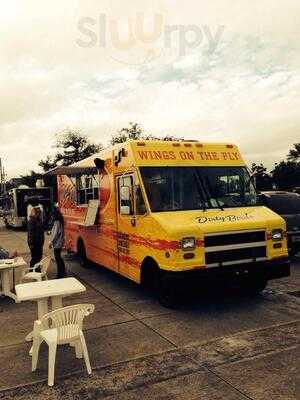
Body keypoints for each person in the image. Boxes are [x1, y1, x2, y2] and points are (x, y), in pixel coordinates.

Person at [49, 208, 66, 278]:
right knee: (59, 257)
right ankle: (63, 271)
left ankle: (60, 273)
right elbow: (57, 232)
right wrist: (50, 232)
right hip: (60, 242)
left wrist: (51, 242)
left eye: (52, 215)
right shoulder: (60, 221)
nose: (52, 217)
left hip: (57, 243)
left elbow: (56, 234)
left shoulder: (56, 222)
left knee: (57, 258)